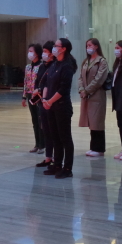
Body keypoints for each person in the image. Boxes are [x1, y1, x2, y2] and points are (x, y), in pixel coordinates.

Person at [41, 38, 77, 179]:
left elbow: (63, 89)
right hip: (51, 106)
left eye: (56, 46)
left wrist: (50, 101)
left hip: (62, 106)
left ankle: (67, 168)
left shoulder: (67, 66)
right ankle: (57, 164)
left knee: (65, 138)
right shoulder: (55, 64)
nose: (54, 48)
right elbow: (47, 83)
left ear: (63, 49)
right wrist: (45, 100)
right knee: (55, 136)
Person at [78, 38, 109, 157]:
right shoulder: (86, 61)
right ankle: (93, 147)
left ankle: (99, 148)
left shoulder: (102, 61)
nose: (88, 47)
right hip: (86, 96)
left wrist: (87, 90)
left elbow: (99, 79)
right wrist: (81, 89)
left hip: (97, 96)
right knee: (91, 122)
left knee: (97, 122)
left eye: (90, 45)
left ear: (96, 46)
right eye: (87, 45)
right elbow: (80, 77)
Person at [34, 41, 55, 168]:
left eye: (46, 51)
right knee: (45, 129)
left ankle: (57, 158)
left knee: (54, 131)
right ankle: (48, 157)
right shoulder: (42, 66)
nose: (43, 54)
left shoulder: (55, 66)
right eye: (43, 51)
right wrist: (37, 89)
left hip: (51, 101)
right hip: (41, 101)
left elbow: (52, 84)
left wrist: (42, 91)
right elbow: (38, 81)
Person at [22, 43, 44, 153]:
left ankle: (42, 145)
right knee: (34, 120)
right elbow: (26, 82)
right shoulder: (28, 67)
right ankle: (37, 144)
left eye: (31, 51)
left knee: (41, 120)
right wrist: (24, 96)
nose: (29, 53)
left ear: (37, 53)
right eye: (29, 51)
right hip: (30, 95)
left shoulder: (42, 66)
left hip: (39, 96)